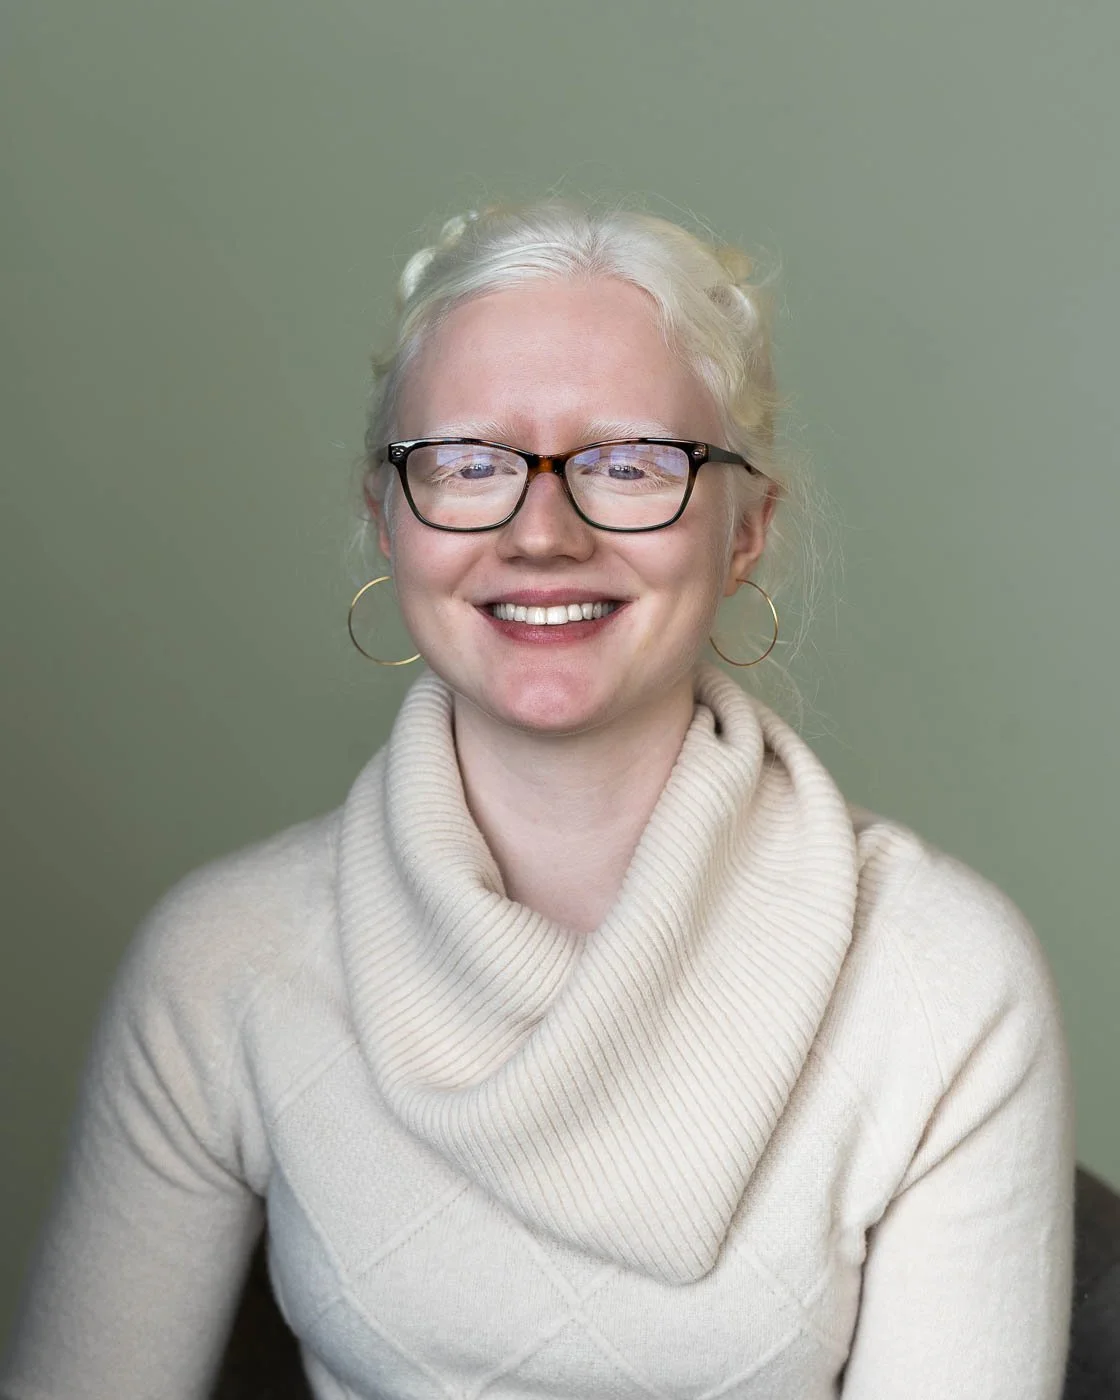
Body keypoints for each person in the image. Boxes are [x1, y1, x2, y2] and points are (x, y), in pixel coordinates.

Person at [1, 198, 1075, 1400]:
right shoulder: (222, 962)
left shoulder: (940, 976)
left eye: (629, 462)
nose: (542, 532)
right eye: (468, 463)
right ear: (386, 519)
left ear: (745, 532)